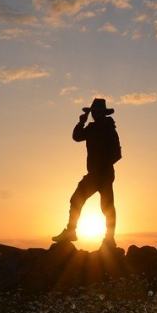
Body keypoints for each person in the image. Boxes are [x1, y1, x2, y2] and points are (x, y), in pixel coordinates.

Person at [52, 98, 121, 247]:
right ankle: (73, 231)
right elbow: (76, 137)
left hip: (104, 174)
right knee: (79, 200)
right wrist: (81, 121)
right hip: (96, 174)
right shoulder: (91, 129)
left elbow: (117, 153)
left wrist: (103, 166)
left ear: (102, 113)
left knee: (105, 206)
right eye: (93, 112)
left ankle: (109, 238)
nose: (94, 115)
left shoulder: (109, 129)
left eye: (97, 112)